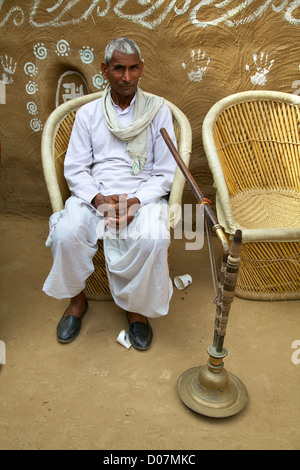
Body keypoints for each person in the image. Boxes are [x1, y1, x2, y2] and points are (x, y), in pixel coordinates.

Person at [43, 37, 178, 350]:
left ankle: (137, 309)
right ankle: (77, 301)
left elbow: (165, 172)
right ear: (105, 70)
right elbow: (76, 169)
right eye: (119, 68)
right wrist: (98, 200)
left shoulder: (158, 112)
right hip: (96, 195)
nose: (127, 76)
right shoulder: (88, 114)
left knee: (155, 237)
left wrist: (135, 201)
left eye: (133, 68)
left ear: (141, 69)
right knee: (65, 232)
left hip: (140, 195)